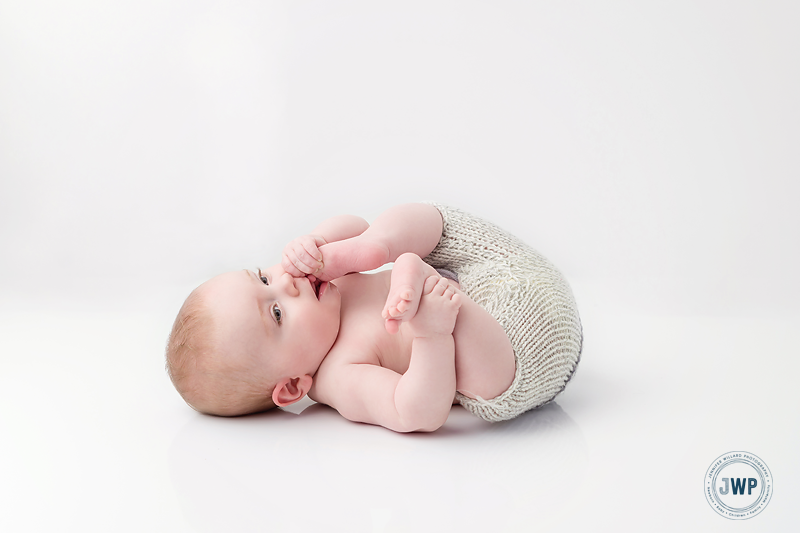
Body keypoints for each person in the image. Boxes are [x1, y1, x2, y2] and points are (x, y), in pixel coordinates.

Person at [166, 203, 582, 432]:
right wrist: (432, 335)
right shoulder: (339, 375)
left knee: (414, 219)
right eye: (276, 312)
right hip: (521, 346)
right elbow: (414, 411)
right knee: (486, 378)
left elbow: (355, 222)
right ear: (293, 386)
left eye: (262, 276)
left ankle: (384, 248)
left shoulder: (326, 280)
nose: (286, 282)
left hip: (495, 276)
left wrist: (323, 242)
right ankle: (413, 275)